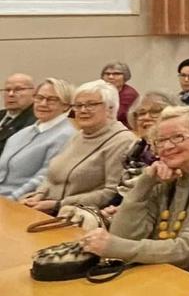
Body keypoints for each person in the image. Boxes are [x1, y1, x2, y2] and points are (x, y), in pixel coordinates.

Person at [79, 106, 189, 283]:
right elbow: (124, 235)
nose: (167, 146)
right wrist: (145, 183)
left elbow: (186, 251)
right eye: (160, 141)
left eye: (178, 137)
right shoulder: (165, 176)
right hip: (169, 273)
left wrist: (113, 246)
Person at [23, 80, 133, 214]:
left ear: (110, 108)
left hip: (77, 215)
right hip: (48, 208)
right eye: (78, 105)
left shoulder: (122, 140)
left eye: (91, 105)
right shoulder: (78, 135)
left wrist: (58, 204)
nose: (83, 110)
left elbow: (111, 192)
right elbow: (52, 177)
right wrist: (39, 195)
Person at [0, 78, 74, 199]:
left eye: (52, 100)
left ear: (66, 106)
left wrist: (11, 199)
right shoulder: (23, 133)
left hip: (18, 201)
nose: (43, 103)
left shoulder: (67, 135)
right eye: (39, 98)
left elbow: (44, 178)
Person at [104, 90, 174, 213]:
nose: (146, 117)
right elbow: (121, 191)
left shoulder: (173, 152)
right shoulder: (135, 150)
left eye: (155, 112)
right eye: (141, 113)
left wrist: (122, 210)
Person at [0, 73, 37, 155]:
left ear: (34, 93)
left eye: (18, 89)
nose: (11, 94)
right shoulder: (1, 114)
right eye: (7, 90)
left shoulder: (35, 122)